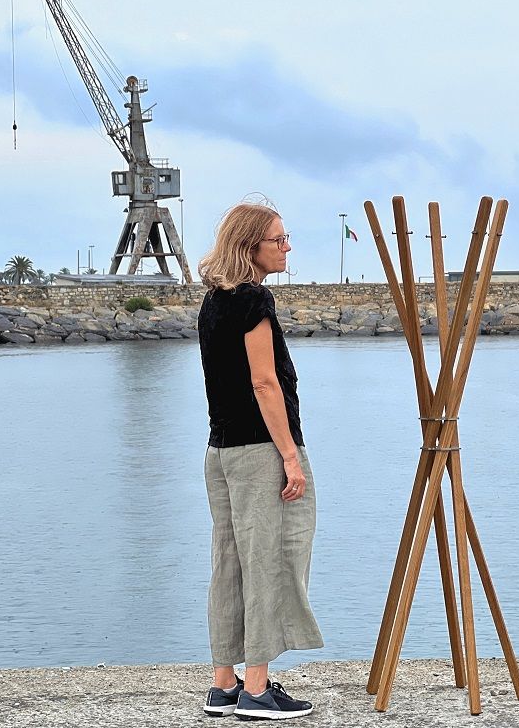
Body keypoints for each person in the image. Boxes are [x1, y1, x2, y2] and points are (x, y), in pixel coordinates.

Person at [196, 201, 323, 720]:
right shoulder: (253, 301)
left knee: (229, 562)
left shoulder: (214, 301)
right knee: (270, 559)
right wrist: (290, 457)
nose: (287, 247)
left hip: (220, 451)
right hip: (259, 452)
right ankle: (257, 688)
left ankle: (223, 685)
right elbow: (264, 382)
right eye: (278, 239)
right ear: (251, 246)